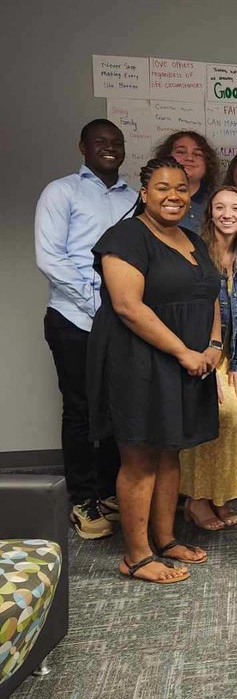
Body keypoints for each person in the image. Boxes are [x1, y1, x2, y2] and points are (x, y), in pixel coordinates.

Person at [87, 157, 221, 584]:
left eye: (181, 188)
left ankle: (165, 539)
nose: (173, 196)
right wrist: (184, 351)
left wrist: (214, 345)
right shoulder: (125, 237)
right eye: (163, 188)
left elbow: (210, 295)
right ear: (144, 193)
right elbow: (128, 306)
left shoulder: (192, 240)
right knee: (141, 456)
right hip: (139, 360)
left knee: (170, 450)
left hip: (188, 360)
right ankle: (137, 555)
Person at [35, 119, 138, 539]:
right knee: (81, 410)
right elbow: (51, 258)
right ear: (83, 146)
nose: (110, 148)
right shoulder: (61, 192)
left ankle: (109, 490)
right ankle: (81, 500)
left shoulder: (134, 198)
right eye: (101, 142)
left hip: (122, 320)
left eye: (117, 143)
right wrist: (98, 304)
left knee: (118, 407)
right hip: (74, 318)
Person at [180, 185, 237, 532]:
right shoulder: (196, 254)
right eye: (220, 207)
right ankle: (195, 500)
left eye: (235, 209)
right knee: (210, 412)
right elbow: (190, 316)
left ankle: (221, 495)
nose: (228, 214)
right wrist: (208, 365)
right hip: (198, 352)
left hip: (230, 355)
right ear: (210, 213)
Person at [154, 130, 218, 233]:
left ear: (207, 163)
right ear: (166, 157)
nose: (189, 158)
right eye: (181, 152)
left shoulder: (218, 201)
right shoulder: (151, 199)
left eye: (197, 154)